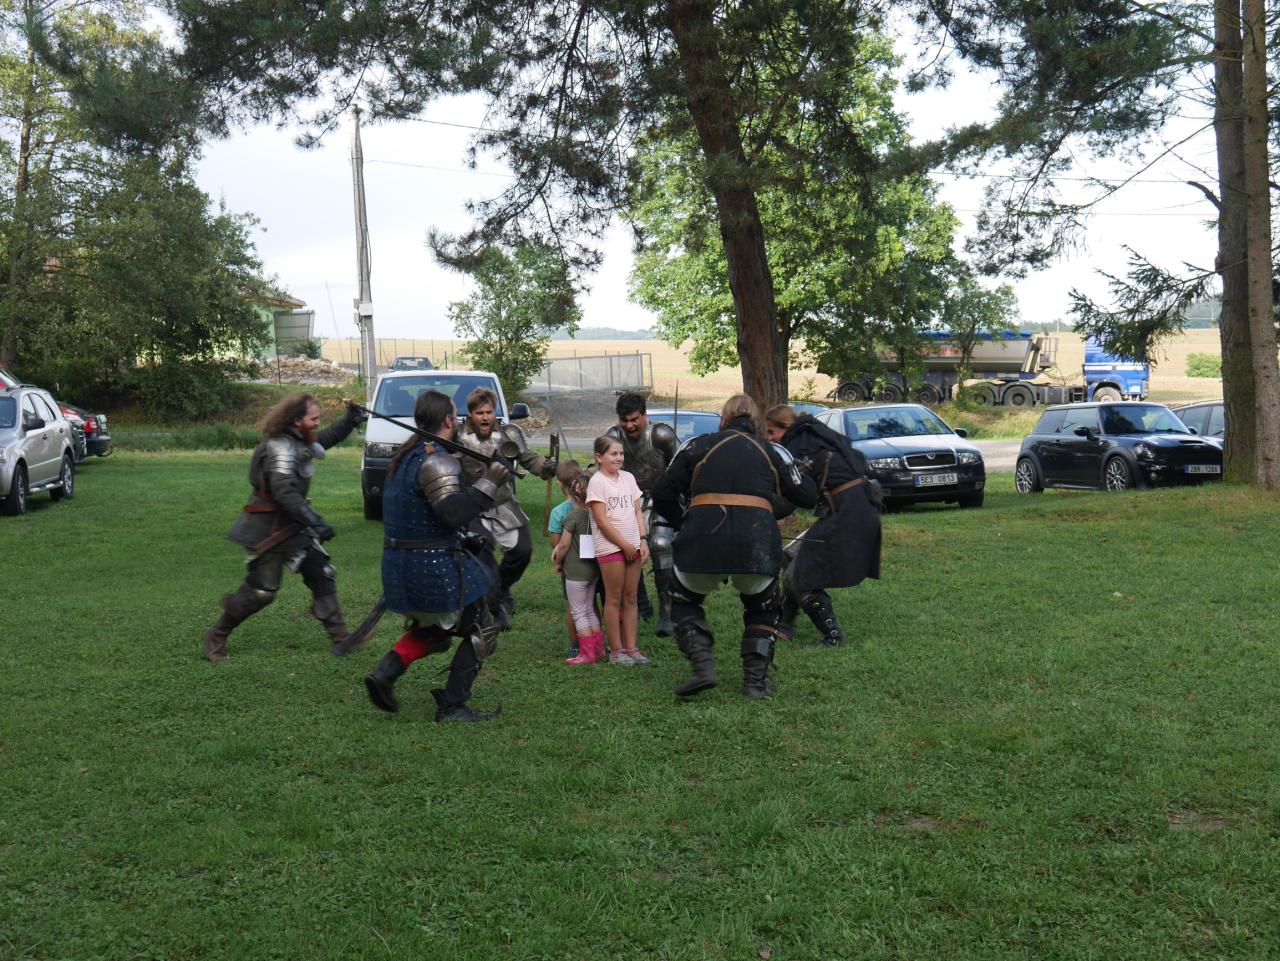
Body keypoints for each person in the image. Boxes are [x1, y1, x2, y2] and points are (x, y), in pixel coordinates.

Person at [651, 394, 817, 699]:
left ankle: (703, 667)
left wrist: (683, 521)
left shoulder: (697, 446)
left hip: (702, 539)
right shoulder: (773, 451)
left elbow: (661, 492)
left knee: (681, 600)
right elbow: (807, 496)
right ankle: (755, 683)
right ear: (755, 422)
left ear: (724, 420)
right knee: (764, 608)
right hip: (756, 543)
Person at [362, 390, 509, 722]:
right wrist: (490, 483)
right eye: (455, 416)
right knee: (484, 626)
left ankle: (386, 673)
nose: (458, 422)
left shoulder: (406, 457)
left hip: (401, 565)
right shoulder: (435, 460)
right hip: (429, 565)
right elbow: (452, 513)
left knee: (441, 629)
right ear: (446, 420)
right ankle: (453, 706)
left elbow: (426, 517)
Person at [203, 393, 365, 662]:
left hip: (291, 526)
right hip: (267, 529)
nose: (317, 423)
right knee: (262, 592)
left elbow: (322, 440)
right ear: (296, 420)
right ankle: (216, 635)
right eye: (313, 418)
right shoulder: (279, 446)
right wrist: (314, 519)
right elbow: (283, 491)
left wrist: (348, 422)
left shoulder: (297, 440)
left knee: (321, 571)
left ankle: (341, 638)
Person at [764, 405, 882, 646]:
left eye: (771, 432)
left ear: (785, 427)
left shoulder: (799, 445)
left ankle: (833, 636)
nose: (769, 438)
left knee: (797, 576)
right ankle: (785, 625)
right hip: (854, 506)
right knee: (790, 556)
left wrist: (762, 510)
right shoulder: (813, 434)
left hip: (848, 513)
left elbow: (797, 496)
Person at [455, 387, 556, 628]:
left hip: (503, 502)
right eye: (480, 413)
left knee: (523, 551)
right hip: (473, 504)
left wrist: (544, 466)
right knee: (482, 550)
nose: (485, 417)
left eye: (489, 412)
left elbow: (527, 457)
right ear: (471, 414)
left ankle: (499, 591)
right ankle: (492, 606)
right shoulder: (456, 435)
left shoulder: (508, 433)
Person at [587, 434, 651, 665]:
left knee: (631, 597)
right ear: (599, 457)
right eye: (613, 454)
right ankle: (616, 651)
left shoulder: (628, 478)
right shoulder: (597, 482)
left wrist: (642, 540)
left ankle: (631, 647)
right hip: (611, 548)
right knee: (613, 598)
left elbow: (637, 511)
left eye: (621, 453)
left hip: (633, 545)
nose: (619, 458)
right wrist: (623, 545)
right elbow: (602, 520)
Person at [552, 471, 605, 664]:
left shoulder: (573, 516)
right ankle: (599, 650)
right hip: (593, 571)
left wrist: (558, 561)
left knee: (578, 611)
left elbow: (564, 545)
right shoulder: (597, 515)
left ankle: (587, 654)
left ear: (574, 493)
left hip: (575, 573)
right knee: (589, 608)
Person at [547, 458, 585, 656]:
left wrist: (560, 562)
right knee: (590, 602)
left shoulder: (558, 513)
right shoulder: (589, 507)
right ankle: (594, 640)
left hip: (570, 567)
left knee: (572, 605)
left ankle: (575, 644)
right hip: (591, 564)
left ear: (559, 483)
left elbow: (556, 543)